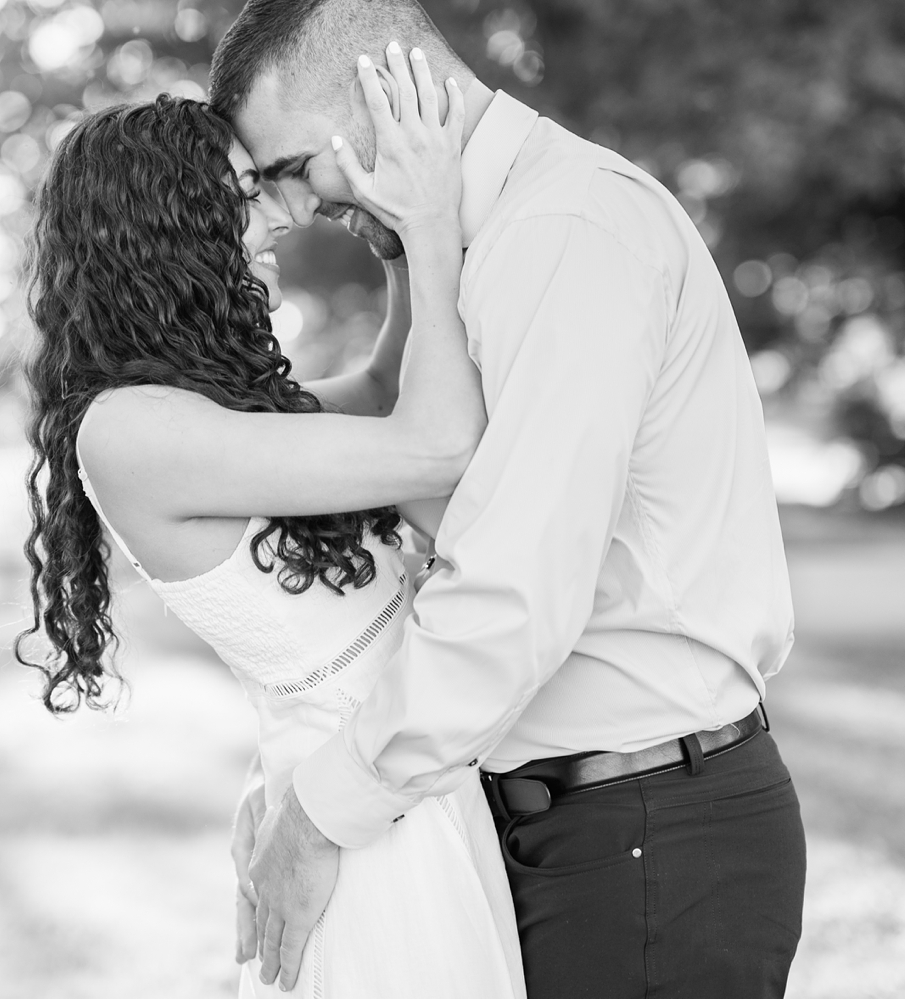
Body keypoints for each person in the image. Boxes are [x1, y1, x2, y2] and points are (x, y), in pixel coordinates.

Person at [207, 1, 807, 997]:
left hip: (647, 829)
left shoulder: (563, 231)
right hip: (573, 825)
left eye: (287, 170)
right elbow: (411, 491)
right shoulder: (468, 250)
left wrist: (323, 816)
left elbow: (515, 589)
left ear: (383, 95)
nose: (297, 213)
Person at [16, 71, 528, 996]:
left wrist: (399, 256)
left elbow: (381, 398)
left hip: (393, 786)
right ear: (165, 230)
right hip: (360, 827)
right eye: (243, 197)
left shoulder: (208, 411)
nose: (275, 221)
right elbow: (438, 446)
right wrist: (430, 222)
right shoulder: (130, 429)